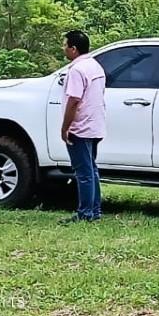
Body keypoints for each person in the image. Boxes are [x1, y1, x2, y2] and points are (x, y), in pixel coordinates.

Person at [60, 30, 106, 224]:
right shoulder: (95, 66)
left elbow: (74, 100)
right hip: (95, 124)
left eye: (65, 45)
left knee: (83, 172)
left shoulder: (77, 70)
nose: (63, 49)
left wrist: (65, 127)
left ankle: (85, 213)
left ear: (74, 49)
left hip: (80, 126)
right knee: (91, 169)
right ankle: (94, 211)